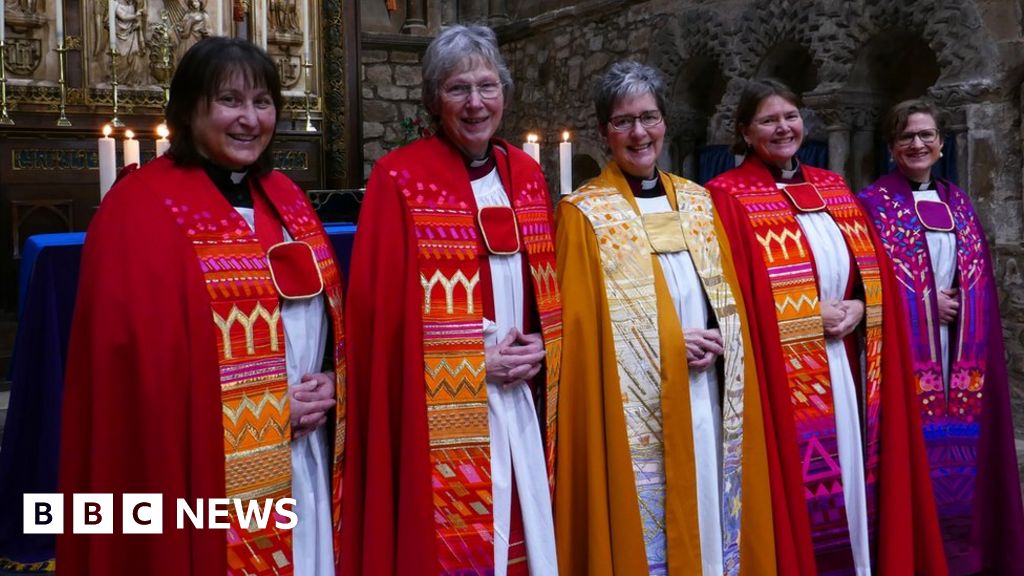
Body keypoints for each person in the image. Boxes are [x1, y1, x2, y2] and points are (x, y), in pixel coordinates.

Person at [58, 37, 345, 575]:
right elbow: (133, 376)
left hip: (304, 454)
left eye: (262, 102)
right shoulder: (140, 207)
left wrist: (333, 379)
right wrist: (260, 412)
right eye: (230, 100)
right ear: (190, 110)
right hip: (201, 471)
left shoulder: (286, 197)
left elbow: (326, 318)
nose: (250, 118)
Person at [341, 24, 561, 576]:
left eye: (487, 87)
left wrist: (544, 341)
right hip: (441, 409)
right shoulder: (401, 178)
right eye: (458, 88)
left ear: (504, 95)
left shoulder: (528, 176)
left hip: (523, 399)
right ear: (434, 98)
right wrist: (471, 361)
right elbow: (379, 321)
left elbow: (550, 291)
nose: (475, 103)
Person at [705, 79, 946, 575]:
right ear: (746, 132)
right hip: (781, 374)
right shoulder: (726, 196)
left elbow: (871, 271)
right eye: (768, 120)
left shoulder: (831, 186)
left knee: (856, 475)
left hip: (848, 364)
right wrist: (805, 317)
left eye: (790, 116)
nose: (783, 128)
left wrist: (863, 305)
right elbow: (724, 299)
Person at [553, 61, 775, 576]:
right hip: (638, 412)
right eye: (623, 121)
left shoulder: (698, 203)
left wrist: (721, 337)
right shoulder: (584, 214)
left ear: (665, 123)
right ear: (605, 132)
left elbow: (729, 303)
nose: (639, 133)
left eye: (649, 117)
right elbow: (582, 335)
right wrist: (670, 346)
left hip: (708, 397)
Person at [857, 99, 1024, 575]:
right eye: (907, 136)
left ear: (942, 143)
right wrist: (922, 307)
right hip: (908, 359)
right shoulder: (873, 205)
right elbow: (863, 281)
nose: (918, 144)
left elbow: (980, 283)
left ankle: (969, 556)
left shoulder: (960, 203)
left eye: (927, 135)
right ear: (892, 146)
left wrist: (961, 306)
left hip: (962, 356)